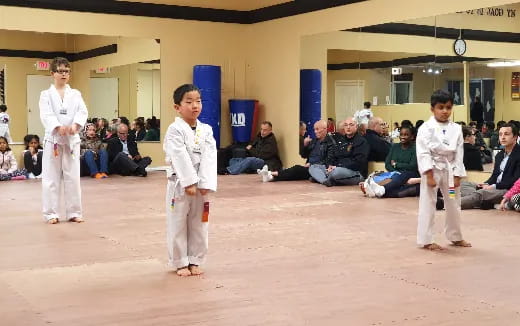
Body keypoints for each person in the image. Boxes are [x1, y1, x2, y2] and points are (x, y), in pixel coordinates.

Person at [163, 84, 217, 277]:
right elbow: (178, 155)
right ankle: (180, 262)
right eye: (189, 102)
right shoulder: (174, 129)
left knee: (200, 222)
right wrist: (189, 182)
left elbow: (210, 157)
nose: (195, 106)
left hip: (201, 185)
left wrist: (205, 183)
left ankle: (196, 259)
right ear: (177, 107)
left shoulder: (207, 130)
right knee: (178, 223)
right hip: (180, 184)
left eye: (198, 101)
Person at [416, 90, 470, 250]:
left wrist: (458, 173)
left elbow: (459, 153)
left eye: (448, 107)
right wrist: (429, 174)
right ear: (432, 109)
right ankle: (426, 240)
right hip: (433, 170)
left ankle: (455, 236)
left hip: (450, 172)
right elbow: (423, 152)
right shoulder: (426, 128)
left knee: (453, 202)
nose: (445, 111)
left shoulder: (457, 129)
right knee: (428, 203)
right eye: (441, 107)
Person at [39, 57, 88, 224]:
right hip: (53, 140)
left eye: (66, 71)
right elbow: (46, 115)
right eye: (60, 71)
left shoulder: (75, 94)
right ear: (52, 73)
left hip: (71, 141)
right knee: (51, 177)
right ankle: (51, 213)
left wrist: (75, 125)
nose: (64, 74)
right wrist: (58, 127)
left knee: (73, 177)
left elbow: (82, 112)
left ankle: (74, 212)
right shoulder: (45, 95)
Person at [458, 123, 520, 210]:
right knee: (463, 185)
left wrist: (493, 186)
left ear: (515, 137)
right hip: (494, 187)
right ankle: (486, 202)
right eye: (500, 134)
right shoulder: (499, 155)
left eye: (506, 134)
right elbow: (494, 176)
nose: (502, 137)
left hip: (507, 189)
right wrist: (486, 183)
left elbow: (514, 181)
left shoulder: (518, 155)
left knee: (481, 193)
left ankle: (446, 204)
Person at [259, 120, 328, 182]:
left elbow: (329, 159)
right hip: (309, 167)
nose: (315, 131)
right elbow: (304, 155)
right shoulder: (314, 141)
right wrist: (305, 145)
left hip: (318, 168)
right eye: (314, 129)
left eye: (317, 129)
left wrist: (313, 164)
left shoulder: (330, 142)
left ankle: (271, 173)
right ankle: (271, 177)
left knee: (297, 169)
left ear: (325, 129)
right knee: (295, 173)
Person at [363, 125, 419, 198]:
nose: (403, 137)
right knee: (383, 176)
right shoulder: (395, 147)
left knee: (403, 175)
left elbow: (412, 166)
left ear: (412, 137)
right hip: (395, 173)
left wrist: (396, 164)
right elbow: (387, 164)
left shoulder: (415, 148)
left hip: (411, 174)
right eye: (401, 134)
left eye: (406, 135)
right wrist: (395, 171)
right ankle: (378, 191)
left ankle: (382, 189)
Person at [309, 118, 369, 186]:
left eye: (351, 125)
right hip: (337, 168)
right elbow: (335, 156)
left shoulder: (361, 141)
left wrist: (338, 166)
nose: (348, 127)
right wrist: (330, 166)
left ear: (356, 126)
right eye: (346, 125)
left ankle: (322, 178)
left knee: (336, 172)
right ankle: (325, 181)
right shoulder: (341, 140)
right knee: (313, 167)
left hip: (355, 172)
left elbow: (358, 162)